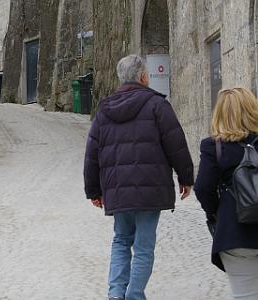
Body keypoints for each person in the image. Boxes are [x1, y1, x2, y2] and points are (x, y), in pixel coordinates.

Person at [83, 55, 194, 300]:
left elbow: (92, 152)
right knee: (143, 247)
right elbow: (176, 143)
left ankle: (115, 295)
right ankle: (134, 296)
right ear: (144, 77)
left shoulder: (104, 109)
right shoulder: (157, 105)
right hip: (150, 190)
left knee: (121, 240)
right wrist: (186, 177)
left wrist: (93, 190)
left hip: (118, 189)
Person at [194, 87, 258, 300]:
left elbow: (203, 188)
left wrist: (216, 214)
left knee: (245, 295)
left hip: (235, 232)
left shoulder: (214, 147)